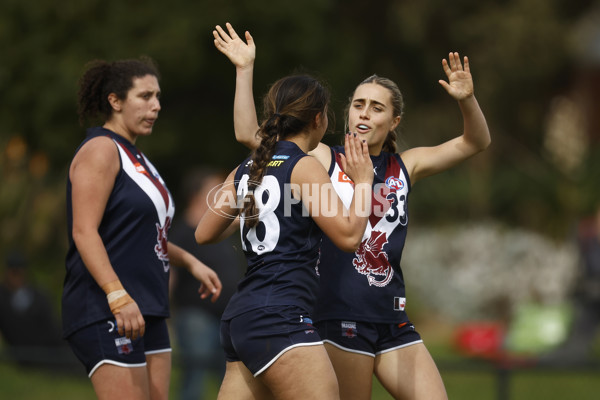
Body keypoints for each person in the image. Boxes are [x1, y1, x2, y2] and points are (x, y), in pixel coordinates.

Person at [213, 22, 491, 400]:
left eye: (376, 108)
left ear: (393, 122)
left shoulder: (405, 166)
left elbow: (476, 141)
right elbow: (250, 134)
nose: (364, 113)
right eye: (358, 104)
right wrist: (244, 70)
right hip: (338, 314)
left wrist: (466, 99)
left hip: (392, 317)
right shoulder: (321, 158)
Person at [195, 73, 374, 399]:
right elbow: (349, 237)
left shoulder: (246, 169)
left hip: (241, 317)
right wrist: (363, 182)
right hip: (279, 317)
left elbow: (203, 233)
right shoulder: (304, 167)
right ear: (318, 119)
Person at [62, 56, 222, 400]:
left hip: (147, 307)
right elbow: (84, 232)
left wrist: (192, 262)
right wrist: (117, 297)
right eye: (145, 96)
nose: (156, 106)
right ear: (115, 101)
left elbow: (151, 235)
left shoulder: (139, 159)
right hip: (109, 306)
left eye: (158, 97)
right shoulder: (101, 149)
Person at [169, 167, 246, 400]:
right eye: (215, 190)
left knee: (230, 382)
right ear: (196, 195)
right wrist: (164, 313)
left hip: (228, 317)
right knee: (194, 380)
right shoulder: (183, 231)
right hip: (196, 316)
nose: (222, 195)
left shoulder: (221, 230)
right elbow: (169, 272)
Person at [0, 251, 73, 369]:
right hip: (26, 352)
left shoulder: (37, 294)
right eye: (14, 273)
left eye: (20, 273)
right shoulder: (3, 298)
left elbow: (53, 325)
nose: (17, 277)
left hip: (52, 346)